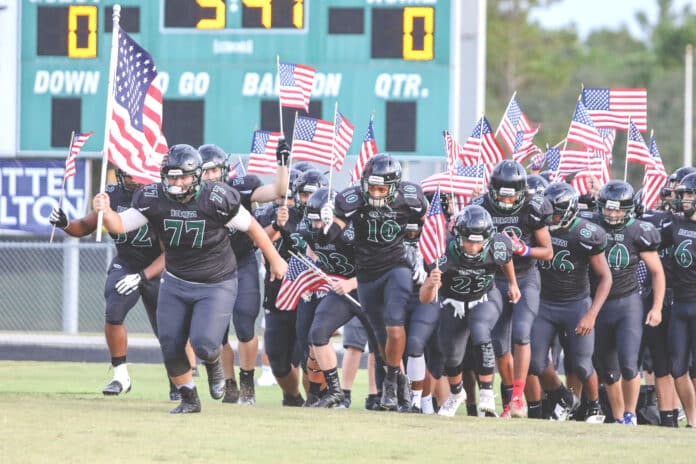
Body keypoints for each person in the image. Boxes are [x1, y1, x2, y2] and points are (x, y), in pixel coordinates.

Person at [92, 144, 287, 414]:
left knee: (205, 344)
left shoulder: (218, 196)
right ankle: (189, 397)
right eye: (172, 176)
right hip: (176, 278)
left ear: (196, 175)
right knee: (170, 343)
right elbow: (120, 225)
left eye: (183, 176)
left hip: (216, 280)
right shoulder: (153, 197)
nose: (178, 182)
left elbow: (252, 227)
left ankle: (214, 362)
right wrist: (106, 211)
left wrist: (275, 259)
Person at [49, 169, 171, 398]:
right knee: (114, 309)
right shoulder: (111, 195)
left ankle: (178, 380)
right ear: (120, 174)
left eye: (138, 173)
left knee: (168, 329)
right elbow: (85, 225)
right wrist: (66, 224)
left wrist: (144, 276)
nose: (135, 179)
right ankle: (120, 376)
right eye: (129, 174)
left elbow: (171, 253)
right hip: (126, 262)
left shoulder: (159, 196)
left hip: (157, 266)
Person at [323, 153, 428, 410]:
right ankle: (399, 382)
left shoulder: (411, 197)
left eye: (382, 188)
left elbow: (419, 222)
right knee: (381, 336)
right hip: (367, 273)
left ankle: (390, 382)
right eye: (372, 187)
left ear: (394, 187)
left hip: (396, 266)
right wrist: (326, 226)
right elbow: (332, 235)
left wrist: (414, 248)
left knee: (395, 326)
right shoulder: (351, 199)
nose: (376, 193)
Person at [198, 142, 289, 405]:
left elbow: (278, 190)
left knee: (245, 325)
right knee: (217, 333)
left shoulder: (241, 188)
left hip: (242, 261)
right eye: (206, 171)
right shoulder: (193, 197)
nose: (212, 176)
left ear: (225, 169)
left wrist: (282, 161)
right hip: (211, 266)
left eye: (215, 170)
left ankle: (247, 379)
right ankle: (229, 383)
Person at [420, 205, 521, 417]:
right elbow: (425, 299)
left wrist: (513, 283)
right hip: (453, 302)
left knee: (480, 330)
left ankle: (486, 392)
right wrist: (430, 284)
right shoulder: (443, 251)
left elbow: (507, 260)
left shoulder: (500, 245)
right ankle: (456, 395)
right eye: (469, 241)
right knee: (451, 354)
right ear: (458, 236)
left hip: (484, 297)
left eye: (478, 241)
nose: (474, 247)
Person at [471, 160, 553, 418]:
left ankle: (518, 396)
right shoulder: (482, 206)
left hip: (526, 276)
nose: (506, 203)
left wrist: (523, 250)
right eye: (501, 197)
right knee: (498, 344)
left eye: (512, 197)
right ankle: (509, 399)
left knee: (521, 333)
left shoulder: (533, 208)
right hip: (494, 278)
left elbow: (548, 252)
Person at [581, 180, 664, 425]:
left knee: (629, 365)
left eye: (618, 209)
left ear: (629, 209)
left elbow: (657, 271)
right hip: (599, 304)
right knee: (608, 370)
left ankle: (630, 415)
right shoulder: (592, 225)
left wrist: (657, 306)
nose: (613, 213)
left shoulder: (639, 231)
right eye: (608, 208)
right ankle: (618, 418)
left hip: (627, 303)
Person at [527, 182, 612, 422]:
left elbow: (605, 278)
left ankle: (594, 407)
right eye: (547, 213)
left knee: (583, 365)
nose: (549, 219)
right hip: (544, 303)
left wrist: (591, 314)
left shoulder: (586, 233)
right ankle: (563, 397)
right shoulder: (538, 226)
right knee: (535, 362)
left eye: (554, 214)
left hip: (576, 304)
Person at [254, 167, 327, 406]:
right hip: (280, 294)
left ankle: (315, 398)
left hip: (313, 297)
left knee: (311, 355)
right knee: (277, 358)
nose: (310, 200)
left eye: (315, 194)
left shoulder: (332, 220)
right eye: (305, 195)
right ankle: (292, 397)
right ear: (296, 194)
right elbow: (259, 241)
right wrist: (277, 225)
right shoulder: (281, 214)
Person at [657, 172, 696, 427]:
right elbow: (649, 238)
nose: (684, 200)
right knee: (677, 367)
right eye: (682, 195)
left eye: (689, 195)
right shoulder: (674, 224)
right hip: (680, 303)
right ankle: (693, 421)